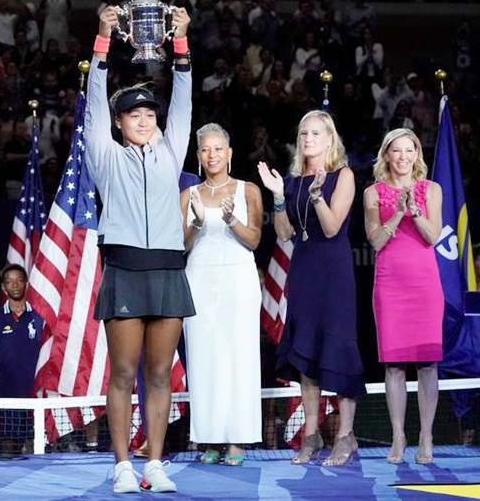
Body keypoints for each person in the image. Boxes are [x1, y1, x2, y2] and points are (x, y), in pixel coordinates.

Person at [85, 5, 193, 494]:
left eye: (151, 114)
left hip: (168, 271)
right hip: (125, 268)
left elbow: (185, 101)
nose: (145, 120)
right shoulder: (105, 157)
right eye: (135, 114)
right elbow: (93, 104)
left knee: (159, 374)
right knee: (123, 373)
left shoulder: (172, 153)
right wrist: (104, 39)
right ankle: (123, 465)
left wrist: (183, 42)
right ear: (120, 121)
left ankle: (154, 462)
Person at [257, 110, 365, 467]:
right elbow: (285, 232)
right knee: (305, 355)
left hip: (333, 272)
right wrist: (276, 197)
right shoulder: (293, 179)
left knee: (338, 350)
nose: (308, 139)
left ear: (329, 140)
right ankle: (312, 434)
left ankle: (346, 436)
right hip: (302, 269)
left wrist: (318, 196)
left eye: (315, 133)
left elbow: (333, 228)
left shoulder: (343, 175)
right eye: (303, 133)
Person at [181, 123, 263, 466]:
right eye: (205, 149)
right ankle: (209, 439)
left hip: (239, 282)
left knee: (239, 358)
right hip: (199, 281)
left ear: (229, 153)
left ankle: (237, 440)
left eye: (218, 148)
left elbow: (254, 239)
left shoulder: (248, 190)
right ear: (199, 156)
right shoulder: (188, 195)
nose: (212, 155)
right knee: (204, 359)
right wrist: (198, 222)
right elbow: (180, 246)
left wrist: (230, 220)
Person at [363, 128, 444, 464]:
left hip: (424, 285)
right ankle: (398, 436)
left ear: (416, 155)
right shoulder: (372, 193)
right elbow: (376, 241)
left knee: (427, 366)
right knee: (394, 366)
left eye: (408, 151)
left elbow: (433, 236)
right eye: (396, 151)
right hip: (390, 285)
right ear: (387, 155)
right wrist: (396, 211)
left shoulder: (432, 189)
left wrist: (414, 210)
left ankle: (426, 437)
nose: (402, 157)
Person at [0, 264, 43, 455]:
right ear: (3, 287)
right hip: (8, 390)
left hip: (37, 389)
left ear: (26, 283)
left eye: (19, 280)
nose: (15, 285)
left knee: (38, 441)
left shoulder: (41, 317)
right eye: (9, 281)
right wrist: (11, 362)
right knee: (9, 443)